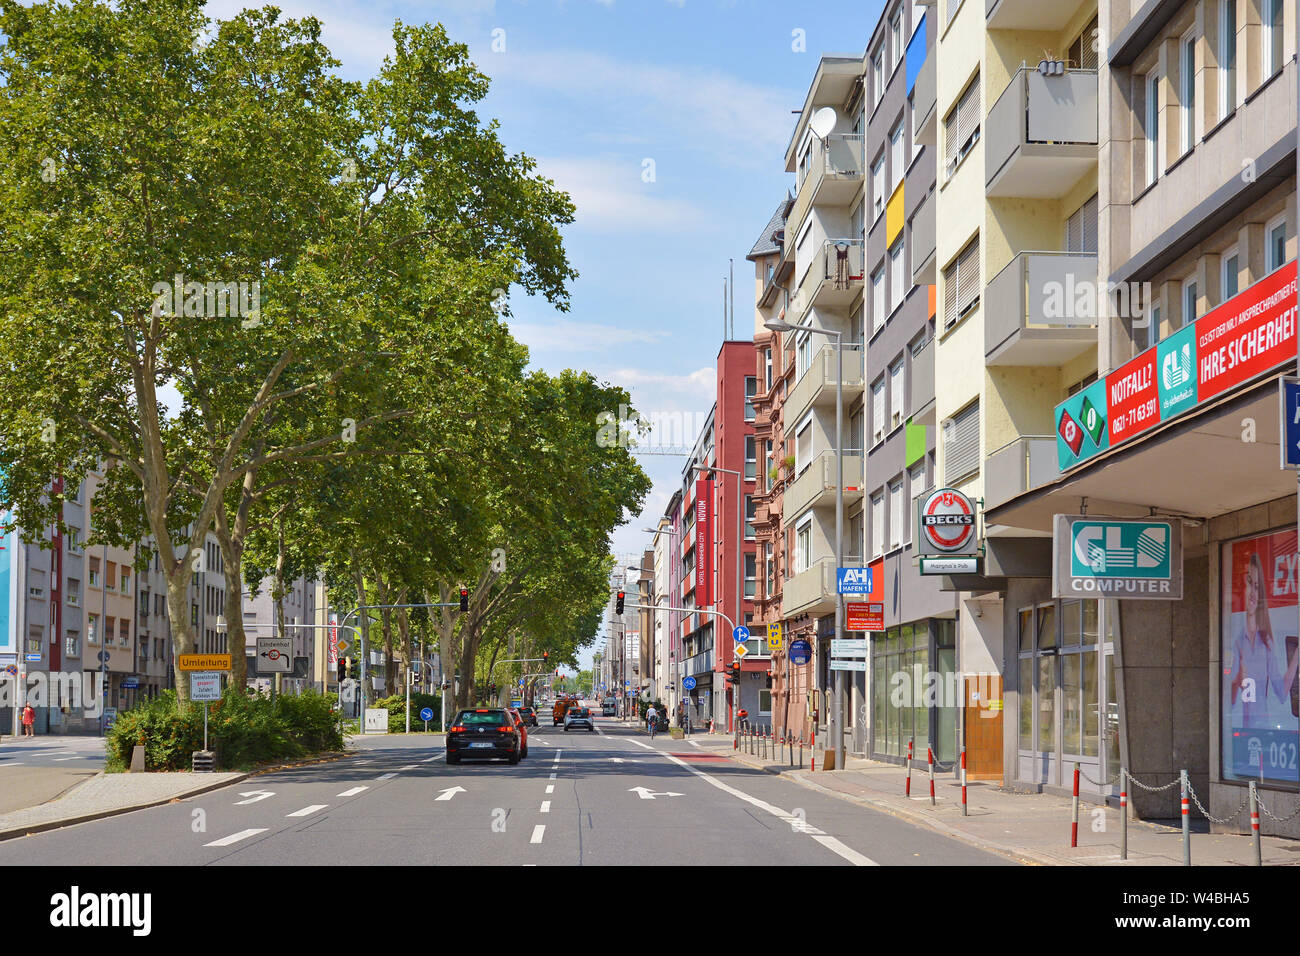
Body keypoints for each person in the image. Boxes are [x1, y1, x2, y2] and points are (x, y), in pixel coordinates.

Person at [1229, 551, 1300, 730]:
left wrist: (1297, 654)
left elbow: (1282, 692)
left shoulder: (1266, 640)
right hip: (1237, 727)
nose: (1253, 592)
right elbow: (1228, 699)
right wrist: (1236, 681)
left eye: (1257, 587)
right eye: (1249, 583)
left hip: (1262, 726)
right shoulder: (1236, 640)